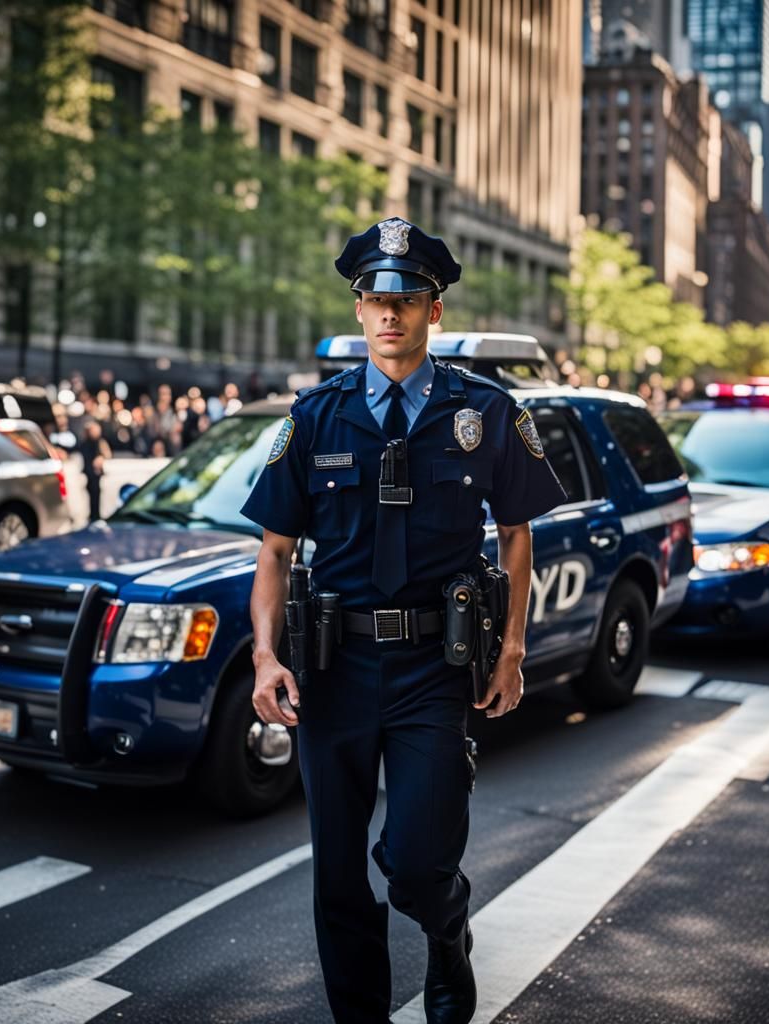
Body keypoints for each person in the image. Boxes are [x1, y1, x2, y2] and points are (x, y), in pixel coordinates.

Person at [241, 218, 567, 1024]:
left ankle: (447, 933)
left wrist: (513, 647)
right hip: (335, 668)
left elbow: (518, 533)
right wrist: (263, 659)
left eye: (409, 299)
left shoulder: (482, 411)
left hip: (432, 668)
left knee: (418, 864)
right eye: (377, 298)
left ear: (434, 312)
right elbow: (275, 551)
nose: (391, 313)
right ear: (359, 310)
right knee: (338, 879)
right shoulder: (315, 417)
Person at [78, 420, 112, 523]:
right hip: (89, 476)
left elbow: (108, 455)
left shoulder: (101, 442)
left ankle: (97, 517)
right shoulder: (84, 445)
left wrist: (102, 458)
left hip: (98, 477)